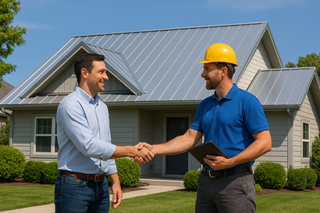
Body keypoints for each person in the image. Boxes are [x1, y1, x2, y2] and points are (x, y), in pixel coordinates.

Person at [136, 43, 272, 213]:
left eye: (207, 69)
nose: (203, 74)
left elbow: (265, 142)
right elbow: (188, 138)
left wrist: (230, 162)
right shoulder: (205, 105)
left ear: (223, 71)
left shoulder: (247, 102)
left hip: (235, 182)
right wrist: (154, 148)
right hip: (206, 183)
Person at [55, 53, 154, 213]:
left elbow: (105, 147)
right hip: (74, 186)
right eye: (101, 72)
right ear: (85, 73)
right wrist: (133, 151)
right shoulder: (70, 105)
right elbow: (89, 146)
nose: (106, 77)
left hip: (100, 186)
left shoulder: (102, 107)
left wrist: (115, 181)